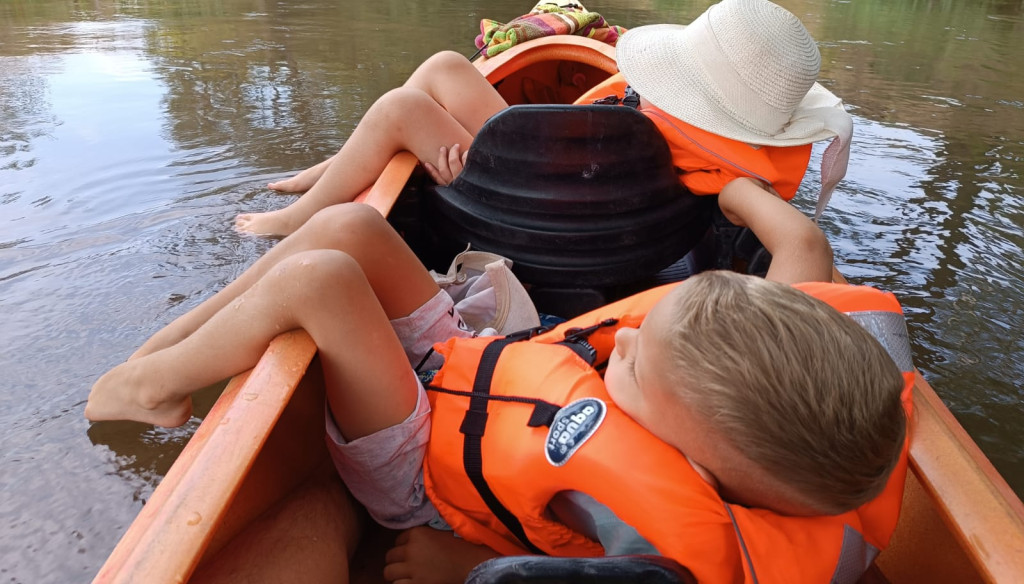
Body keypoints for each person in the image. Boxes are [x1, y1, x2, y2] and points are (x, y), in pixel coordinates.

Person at [86, 178, 912, 584]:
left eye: (631, 361)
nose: (617, 345)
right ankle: (160, 356)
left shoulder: (664, 543)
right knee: (351, 225)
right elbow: (805, 258)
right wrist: (752, 199)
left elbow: (549, 551)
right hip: (485, 366)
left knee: (323, 281)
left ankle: (152, 385)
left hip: (423, 474)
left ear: (694, 461)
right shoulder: (766, 399)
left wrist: (461, 558)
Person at [234, 0, 854, 237]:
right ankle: (335, 165)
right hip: (570, 170)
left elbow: (802, 243)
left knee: (402, 108)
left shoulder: (728, 174)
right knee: (447, 66)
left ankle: (291, 220)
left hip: (542, 201)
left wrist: (492, 172)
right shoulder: (722, 137)